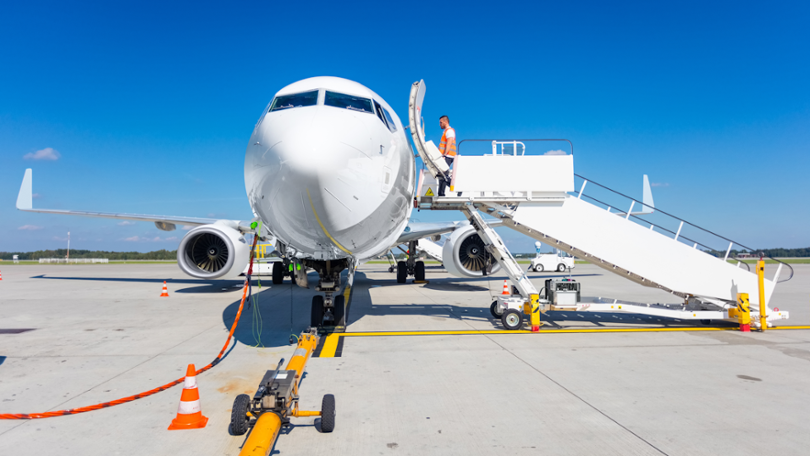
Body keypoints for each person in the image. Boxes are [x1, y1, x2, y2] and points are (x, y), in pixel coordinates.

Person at [437, 115, 456, 196]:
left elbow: (449, 143)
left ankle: (456, 188)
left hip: (448, 156)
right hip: (445, 156)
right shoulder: (445, 132)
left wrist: (444, 154)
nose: (439, 124)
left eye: (441, 122)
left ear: (446, 122)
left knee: (443, 174)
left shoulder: (449, 131)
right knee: (442, 174)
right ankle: (441, 193)